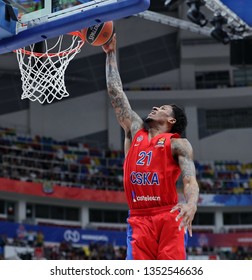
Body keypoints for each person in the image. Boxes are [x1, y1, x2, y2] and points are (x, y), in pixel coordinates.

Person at [102, 34, 199, 260]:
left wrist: (192, 204)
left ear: (172, 120)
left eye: (163, 107)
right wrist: (110, 54)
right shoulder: (135, 130)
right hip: (138, 217)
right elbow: (116, 93)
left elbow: (189, 179)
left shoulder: (178, 144)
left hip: (169, 215)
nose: (156, 107)